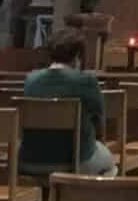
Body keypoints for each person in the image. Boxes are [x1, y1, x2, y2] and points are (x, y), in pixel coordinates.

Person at [17, 27, 118, 177]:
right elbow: (99, 120)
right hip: (74, 163)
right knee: (111, 165)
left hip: (31, 162)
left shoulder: (30, 79)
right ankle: (81, 198)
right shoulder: (86, 80)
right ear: (78, 55)